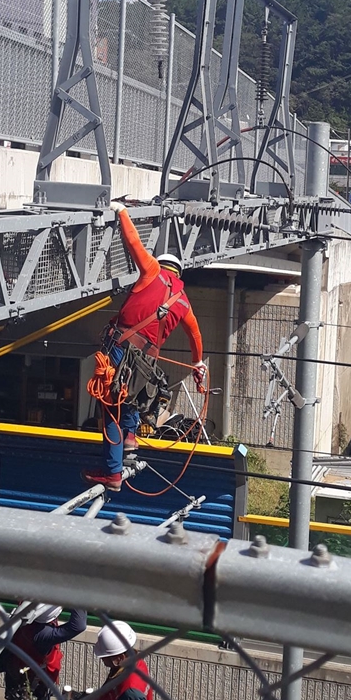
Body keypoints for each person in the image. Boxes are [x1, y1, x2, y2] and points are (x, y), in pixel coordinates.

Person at [85, 205, 206, 491]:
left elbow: (134, 243)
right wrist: (198, 363)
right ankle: (130, 441)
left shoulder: (152, 271)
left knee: (111, 406)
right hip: (146, 361)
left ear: (163, 265)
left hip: (121, 348)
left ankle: (112, 473)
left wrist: (122, 212)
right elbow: (196, 335)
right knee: (130, 400)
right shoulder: (184, 303)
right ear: (179, 273)